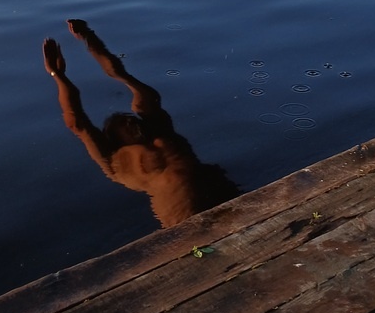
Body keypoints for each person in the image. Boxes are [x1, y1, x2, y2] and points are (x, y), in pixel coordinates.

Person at [43, 19, 240, 227]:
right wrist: (58, 76)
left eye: (130, 120)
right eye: (127, 123)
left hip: (226, 201)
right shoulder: (115, 166)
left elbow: (120, 74)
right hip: (182, 223)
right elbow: (77, 124)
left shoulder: (158, 128)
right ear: (114, 138)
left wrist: (89, 38)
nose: (133, 122)